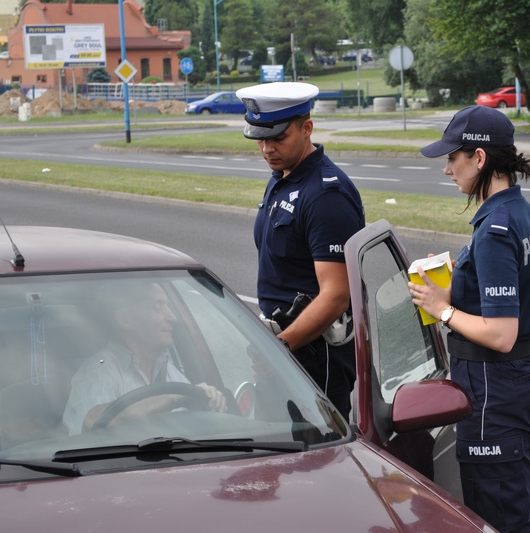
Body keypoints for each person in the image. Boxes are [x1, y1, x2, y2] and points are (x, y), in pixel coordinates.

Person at [407, 105, 530, 533]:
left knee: (498, 520)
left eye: (453, 158)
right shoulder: (522, 213)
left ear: (479, 158)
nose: (447, 170)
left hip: (496, 392)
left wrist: (443, 310)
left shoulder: (494, 231)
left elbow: (501, 333)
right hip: (526, 381)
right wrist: (461, 279)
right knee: (515, 505)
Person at [235, 82, 365, 420]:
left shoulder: (325, 196)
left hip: (312, 358)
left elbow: (336, 295)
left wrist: (280, 347)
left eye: (278, 138)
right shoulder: (283, 176)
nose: (267, 148)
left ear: (307, 128)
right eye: (260, 139)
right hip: (285, 351)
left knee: (316, 466)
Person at [62, 282, 227, 434]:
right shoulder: (98, 370)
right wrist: (173, 398)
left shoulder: (167, 368)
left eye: (167, 306)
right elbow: (93, 423)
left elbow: (193, 410)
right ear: (126, 320)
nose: (172, 317)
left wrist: (208, 400)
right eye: (157, 307)